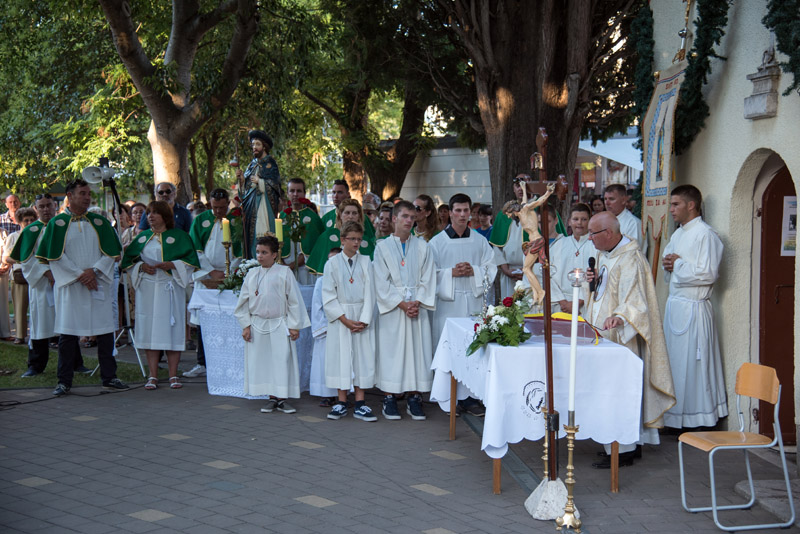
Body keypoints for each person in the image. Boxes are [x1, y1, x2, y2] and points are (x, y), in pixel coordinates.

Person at [585, 211, 675, 467]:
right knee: (607, 391)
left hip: (621, 340)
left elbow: (636, 299)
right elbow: (603, 292)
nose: (589, 238)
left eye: (593, 233)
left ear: (609, 233)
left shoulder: (631, 259)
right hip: (601, 336)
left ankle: (622, 449)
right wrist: (591, 283)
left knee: (618, 391)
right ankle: (625, 444)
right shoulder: (606, 253)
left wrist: (621, 317)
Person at [37, 179, 129, 396]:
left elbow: (112, 253)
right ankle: (64, 381)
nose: (88, 197)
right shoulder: (56, 224)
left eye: (89, 193)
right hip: (71, 286)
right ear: (70, 195)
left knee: (105, 331)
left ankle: (110, 377)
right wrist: (80, 274)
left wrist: (94, 271)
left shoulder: (99, 221)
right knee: (68, 334)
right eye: (83, 193)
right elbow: (54, 257)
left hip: (97, 283)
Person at [661, 185, 727, 428]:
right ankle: (677, 418)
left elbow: (708, 274)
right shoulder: (678, 234)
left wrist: (677, 265)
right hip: (676, 306)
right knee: (676, 364)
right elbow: (670, 262)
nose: (671, 210)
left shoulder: (705, 234)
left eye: (676, 204)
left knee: (694, 365)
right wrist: (668, 265)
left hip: (694, 308)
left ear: (691, 205)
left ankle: (699, 419)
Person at [429, 193, 496, 416]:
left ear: (471, 213)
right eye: (457, 210)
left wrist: (474, 271)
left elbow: (491, 268)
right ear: (449, 212)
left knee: (473, 349)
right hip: (448, 304)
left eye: (466, 210)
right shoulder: (436, 242)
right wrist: (451, 273)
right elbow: (429, 275)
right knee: (450, 350)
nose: (461, 215)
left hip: (473, 303)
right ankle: (448, 396)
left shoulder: (479, 240)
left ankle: (470, 397)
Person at [121, 201, 199, 390]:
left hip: (170, 287)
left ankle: (173, 375)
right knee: (150, 330)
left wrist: (173, 265)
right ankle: (153, 375)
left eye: (155, 213)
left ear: (165, 216)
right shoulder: (142, 238)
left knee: (171, 329)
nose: (150, 216)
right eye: (149, 213)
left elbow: (191, 262)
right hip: (147, 289)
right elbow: (128, 262)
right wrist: (141, 266)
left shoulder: (179, 236)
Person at [373, 200, 437, 421]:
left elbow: (429, 277)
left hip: (417, 307)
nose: (409, 220)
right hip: (393, 310)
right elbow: (380, 281)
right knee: (392, 351)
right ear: (394, 219)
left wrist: (417, 302)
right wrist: (401, 304)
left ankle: (415, 396)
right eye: (404, 216)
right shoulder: (382, 247)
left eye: (412, 217)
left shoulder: (423, 246)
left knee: (417, 352)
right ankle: (390, 396)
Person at [12, 194, 89, 376]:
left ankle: (76, 363)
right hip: (42, 285)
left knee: (68, 323)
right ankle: (36, 365)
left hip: (65, 283)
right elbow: (26, 260)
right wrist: (47, 273)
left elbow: (73, 253)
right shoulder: (30, 231)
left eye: (49, 205)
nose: (46, 209)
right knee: (41, 324)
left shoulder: (65, 226)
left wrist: (62, 273)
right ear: (36, 209)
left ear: (55, 206)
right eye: (42, 206)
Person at [234, 235, 310, 413]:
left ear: (274, 254)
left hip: (279, 324)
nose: (260, 256)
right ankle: (270, 397)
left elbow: (294, 301)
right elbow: (242, 303)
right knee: (265, 362)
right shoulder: (252, 274)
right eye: (258, 252)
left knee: (281, 361)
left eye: (264, 252)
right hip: (258, 324)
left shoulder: (284, 273)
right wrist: (246, 325)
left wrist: (294, 325)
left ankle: (282, 398)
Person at [184, 188, 243, 378]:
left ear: (228, 204)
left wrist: (230, 273)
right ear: (209, 204)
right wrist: (211, 272)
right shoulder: (201, 221)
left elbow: (240, 251)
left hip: (230, 276)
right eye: (215, 207)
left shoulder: (236, 220)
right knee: (204, 320)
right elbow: (195, 249)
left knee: (229, 318)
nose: (219, 211)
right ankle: (202, 362)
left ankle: (230, 359)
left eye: (223, 207)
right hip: (207, 276)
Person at [322, 221, 378, 422]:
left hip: (361, 314)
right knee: (340, 356)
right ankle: (341, 401)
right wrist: (344, 320)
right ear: (342, 239)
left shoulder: (366, 262)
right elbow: (328, 294)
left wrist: (363, 320)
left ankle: (361, 403)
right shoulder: (332, 264)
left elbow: (370, 292)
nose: (356, 243)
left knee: (362, 357)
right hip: (341, 317)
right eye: (352, 239)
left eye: (359, 239)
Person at [236, 130, 282, 259]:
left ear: (264, 147)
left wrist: (260, 182)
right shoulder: (251, 165)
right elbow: (244, 191)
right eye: (253, 145)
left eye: (257, 144)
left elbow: (275, 186)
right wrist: (241, 181)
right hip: (250, 207)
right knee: (250, 237)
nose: (254, 148)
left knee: (261, 233)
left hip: (263, 207)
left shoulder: (270, 164)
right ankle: (251, 260)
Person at [545, 203, 596, 314]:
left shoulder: (595, 245)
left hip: (586, 303)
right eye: (575, 219)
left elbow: (596, 275)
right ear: (569, 222)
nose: (579, 223)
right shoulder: (558, 245)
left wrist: (578, 302)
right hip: (560, 303)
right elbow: (549, 274)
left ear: (590, 221)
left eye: (584, 219)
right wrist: (563, 302)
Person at [306, 199, 375, 274]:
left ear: (359, 216)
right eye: (347, 213)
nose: (350, 216)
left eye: (354, 213)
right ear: (340, 216)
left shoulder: (365, 240)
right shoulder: (326, 236)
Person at [490, 174, 530, 299]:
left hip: (534, 273)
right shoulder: (505, 213)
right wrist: (505, 268)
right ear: (513, 188)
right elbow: (497, 245)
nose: (521, 189)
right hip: (509, 272)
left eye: (524, 185)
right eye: (518, 185)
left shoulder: (541, 211)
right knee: (509, 312)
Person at [309, 248, 340, 407]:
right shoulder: (321, 281)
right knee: (325, 362)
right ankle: (327, 395)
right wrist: (324, 326)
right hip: (327, 329)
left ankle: (343, 396)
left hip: (343, 326)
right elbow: (316, 306)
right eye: (329, 260)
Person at [280, 178, 324, 285]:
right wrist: (281, 263)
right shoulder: (282, 216)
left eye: (299, 191)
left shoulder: (312, 217)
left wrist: (292, 265)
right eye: (292, 191)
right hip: (284, 268)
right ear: (288, 193)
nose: (295, 194)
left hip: (304, 269)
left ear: (304, 193)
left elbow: (313, 248)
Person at [4, 207, 36, 343]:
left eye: (32, 220)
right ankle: (20, 335)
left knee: (38, 307)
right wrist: (21, 259)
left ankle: (38, 335)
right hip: (19, 274)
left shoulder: (39, 234)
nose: (29, 222)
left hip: (37, 274)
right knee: (20, 307)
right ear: (19, 222)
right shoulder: (14, 236)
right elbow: (6, 257)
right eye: (25, 220)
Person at [0, 194, 21, 341]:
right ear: (5, 204)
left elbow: (5, 248)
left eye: (15, 201)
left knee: (10, 302)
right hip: (6, 265)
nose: (13, 204)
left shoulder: (24, 218)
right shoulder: (2, 220)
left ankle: (7, 333)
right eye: (10, 202)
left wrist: (5, 264)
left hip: (12, 266)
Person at [604, 184, 645, 254]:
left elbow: (633, 252)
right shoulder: (603, 221)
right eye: (605, 199)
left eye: (611, 199)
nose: (607, 203)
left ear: (623, 200)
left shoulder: (633, 223)